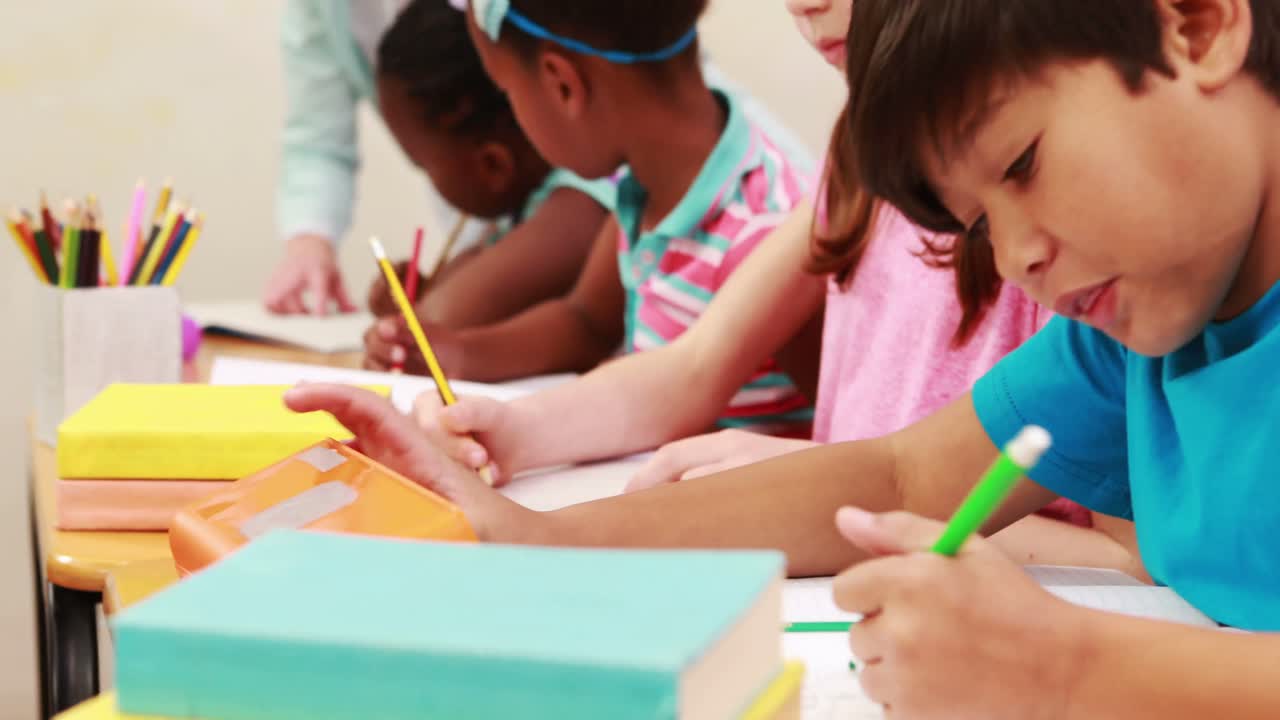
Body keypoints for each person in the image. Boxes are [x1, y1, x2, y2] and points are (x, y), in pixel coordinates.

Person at [288, 0, 1280, 716]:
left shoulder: (1144, 287)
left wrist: (1064, 671)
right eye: (980, 222)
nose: (1017, 258)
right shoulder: (1133, 335)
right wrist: (524, 537)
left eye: (1021, 163)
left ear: (1197, 24)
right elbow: (900, 474)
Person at [264, 0, 815, 316]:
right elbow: (598, 335)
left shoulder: (759, 229)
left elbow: (841, 437)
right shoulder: (636, 203)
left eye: (507, 92)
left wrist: (430, 327)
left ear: (561, 84)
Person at [364, 0, 615, 331]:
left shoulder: (584, 200)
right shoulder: (518, 215)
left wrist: (418, 310)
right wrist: (421, 291)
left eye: (423, 166)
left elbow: (447, 316)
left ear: (493, 165)